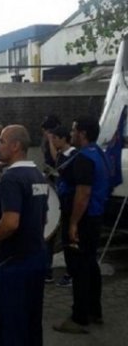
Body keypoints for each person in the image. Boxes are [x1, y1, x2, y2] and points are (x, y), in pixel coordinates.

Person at [0, 125, 48, 346]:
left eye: (3, 141)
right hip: (37, 258)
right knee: (32, 322)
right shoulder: (38, 175)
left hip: (14, 264)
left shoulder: (11, 178)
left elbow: (10, 223)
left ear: (16, 146)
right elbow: (43, 218)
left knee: (12, 325)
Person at [54, 116, 110, 334]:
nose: (72, 132)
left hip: (83, 220)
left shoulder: (84, 158)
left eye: (75, 129)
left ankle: (79, 318)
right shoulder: (100, 154)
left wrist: (73, 224)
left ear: (83, 134)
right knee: (90, 264)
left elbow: (83, 193)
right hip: (95, 217)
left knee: (78, 268)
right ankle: (95, 311)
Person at [47, 126, 77, 287]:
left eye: (56, 139)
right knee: (65, 240)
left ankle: (72, 273)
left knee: (70, 240)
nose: (54, 142)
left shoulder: (73, 156)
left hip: (70, 202)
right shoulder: (61, 155)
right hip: (62, 201)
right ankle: (70, 271)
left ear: (64, 138)